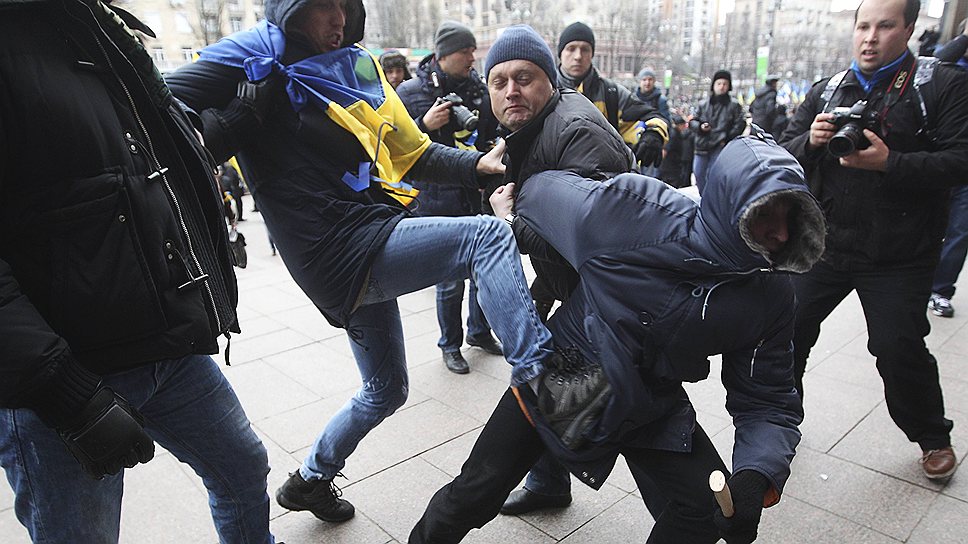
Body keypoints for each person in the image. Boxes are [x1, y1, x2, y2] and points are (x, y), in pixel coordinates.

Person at [167, 0, 597, 523]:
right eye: (322, 7)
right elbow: (157, 108)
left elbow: (413, 153)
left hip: (366, 234)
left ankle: (310, 480)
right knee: (486, 236)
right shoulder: (254, 55)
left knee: (385, 389)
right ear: (291, 10)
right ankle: (547, 382)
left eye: (343, 6)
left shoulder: (352, 67)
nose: (337, 19)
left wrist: (478, 166)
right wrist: (233, 121)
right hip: (335, 249)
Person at [410, 134, 826, 544]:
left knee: (705, 510)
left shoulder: (771, 295)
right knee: (475, 492)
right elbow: (542, 191)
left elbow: (768, 401)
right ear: (728, 203)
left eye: (791, 218)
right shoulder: (633, 212)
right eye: (765, 214)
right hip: (566, 374)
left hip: (650, 399)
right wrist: (511, 213)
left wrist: (756, 475)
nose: (781, 234)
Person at [0, 0, 278, 542]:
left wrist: (237, 122)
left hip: (167, 347)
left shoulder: (97, 26)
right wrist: (60, 386)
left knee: (243, 470)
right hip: (64, 379)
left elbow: (146, 165)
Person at [778, 0, 968, 481]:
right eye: (863, 26)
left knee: (897, 346)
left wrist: (891, 163)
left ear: (908, 29)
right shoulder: (827, 92)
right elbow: (779, 155)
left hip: (899, 252)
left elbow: (960, 161)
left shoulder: (941, 85)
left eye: (884, 26)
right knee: (784, 332)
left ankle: (932, 436)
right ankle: (778, 426)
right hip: (824, 243)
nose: (870, 37)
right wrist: (811, 143)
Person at [466, 25, 635, 517]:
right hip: (575, 289)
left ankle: (699, 508)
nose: (511, 90)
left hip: (607, 301)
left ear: (551, 79)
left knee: (638, 426)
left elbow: (587, 236)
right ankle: (548, 483)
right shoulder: (535, 126)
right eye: (499, 82)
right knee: (545, 386)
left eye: (524, 77)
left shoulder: (577, 130)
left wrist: (507, 223)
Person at [396, 21, 503, 374]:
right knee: (450, 280)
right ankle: (450, 345)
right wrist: (424, 124)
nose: (473, 57)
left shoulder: (478, 88)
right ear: (444, 55)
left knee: (483, 272)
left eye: (474, 50)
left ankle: (478, 331)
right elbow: (394, 145)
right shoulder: (412, 91)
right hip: (439, 201)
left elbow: (488, 133)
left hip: (478, 195)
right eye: (466, 51)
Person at [555, 22, 668, 174]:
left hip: (603, 182)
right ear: (560, 53)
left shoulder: (612, 93)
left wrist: (654, 134)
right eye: (571, 48)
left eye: (585, 49)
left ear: (592, 54)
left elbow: (653, 115)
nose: (578, 56)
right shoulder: (544, 91)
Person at [927, 19, 968, 318]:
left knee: (960, 229)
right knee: (929, 223)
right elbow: (932, 64)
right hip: (938, 158)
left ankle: (940, 289)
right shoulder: (953, 64)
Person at [690, 69, 745, 194]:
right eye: (719, 83)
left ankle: (712, 200)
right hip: (702, 145)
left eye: (725, 84)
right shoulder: (703, 104)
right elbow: (693, 121)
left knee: (715, 176)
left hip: (720, 146)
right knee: (699, 174)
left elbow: (740, 124)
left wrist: (727, 138)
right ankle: (704, 197)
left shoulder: (734, 105)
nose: (722, 87)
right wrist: (700, 127)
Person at [658, 114, 691, 188]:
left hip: (674, 162)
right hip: (671, 163)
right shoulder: (674, 134)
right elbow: (666, 149)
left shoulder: (677, 133)